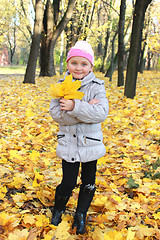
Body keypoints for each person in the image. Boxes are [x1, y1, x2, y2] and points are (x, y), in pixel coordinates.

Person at [49, 40, 109, 234]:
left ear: (91, 66)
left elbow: (101, 113)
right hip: (69, 144)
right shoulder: (60, 87)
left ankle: (80, 214)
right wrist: (86, 110)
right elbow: (58, 116)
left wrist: (75, 106)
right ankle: (58, 209)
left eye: (84, 64)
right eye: (74, 63)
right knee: (68, 181)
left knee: (89, 182)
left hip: (90, 144)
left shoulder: (97, 87)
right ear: (68, 64)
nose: (79, 68)